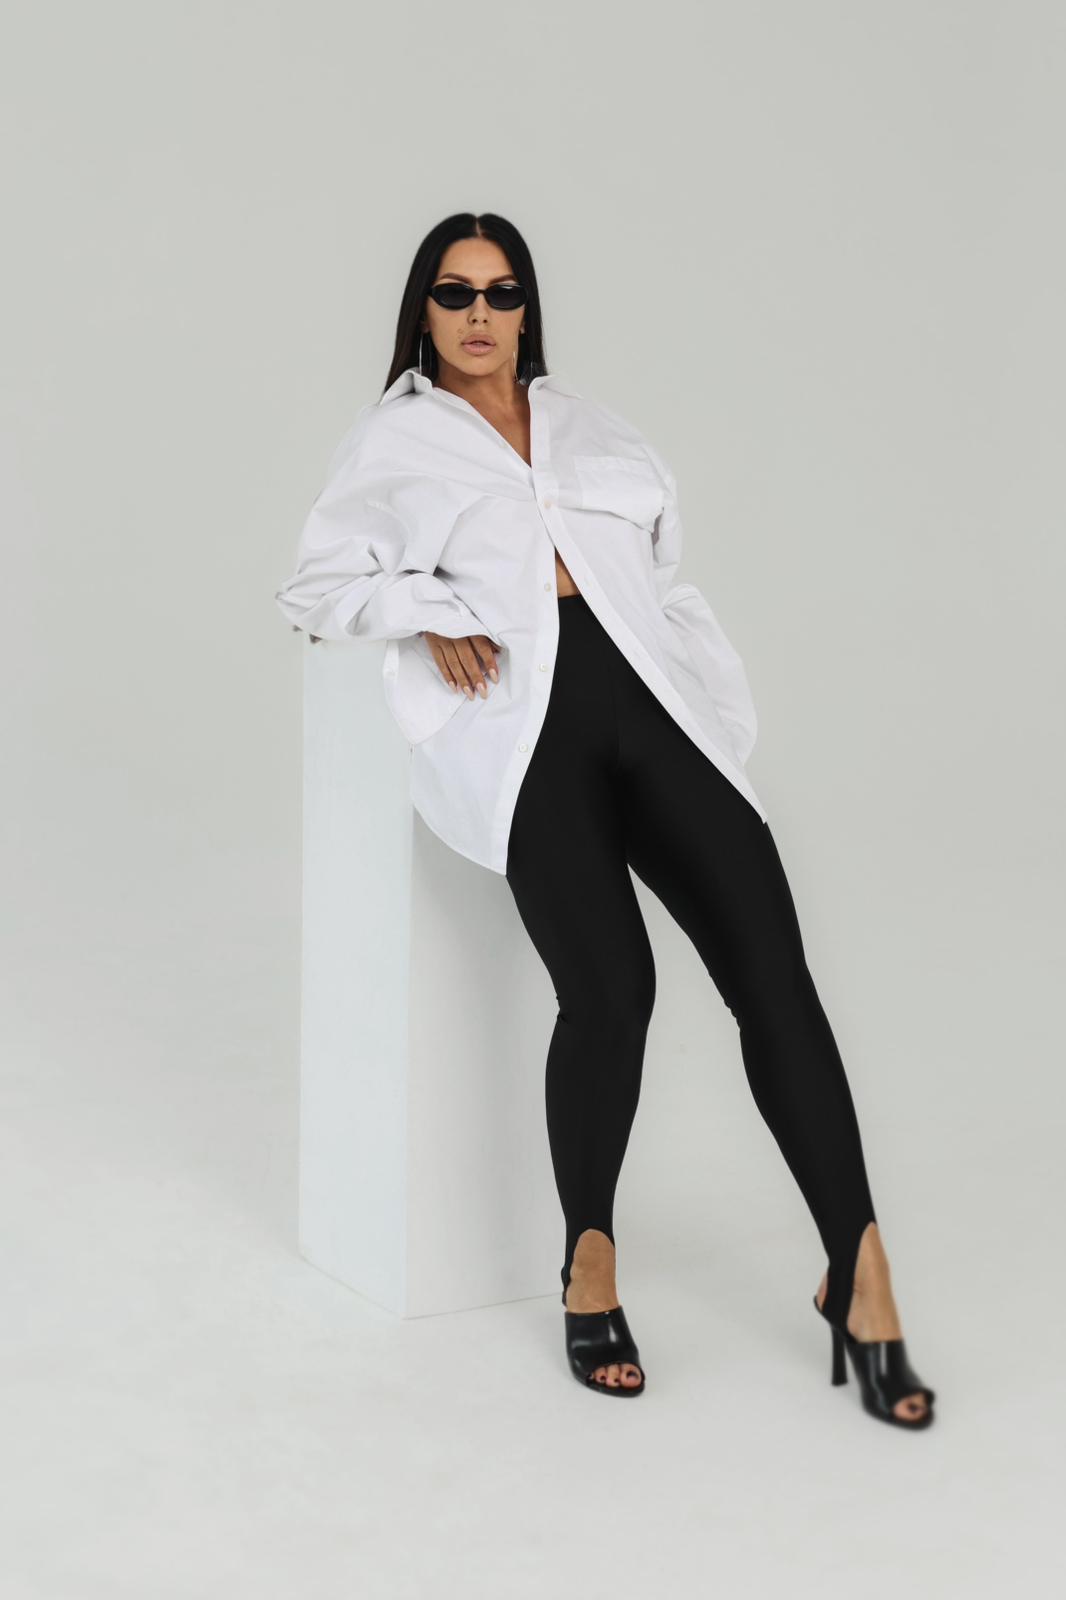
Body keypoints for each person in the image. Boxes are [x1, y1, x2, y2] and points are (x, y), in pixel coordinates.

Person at [275, 212, 936, 1427]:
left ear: (527, 306)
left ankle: (859, 1268)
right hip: (529, 730)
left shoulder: (593, 425)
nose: (479, 314)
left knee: (774, 976)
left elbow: (664, 570)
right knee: (612, 989)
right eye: (454, 292)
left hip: (651, 705)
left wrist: (703, 699)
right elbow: (314, 585)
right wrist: (424, 605)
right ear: (422, 311)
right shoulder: (392, 441)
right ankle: (589, 1256)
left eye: (501, 291)